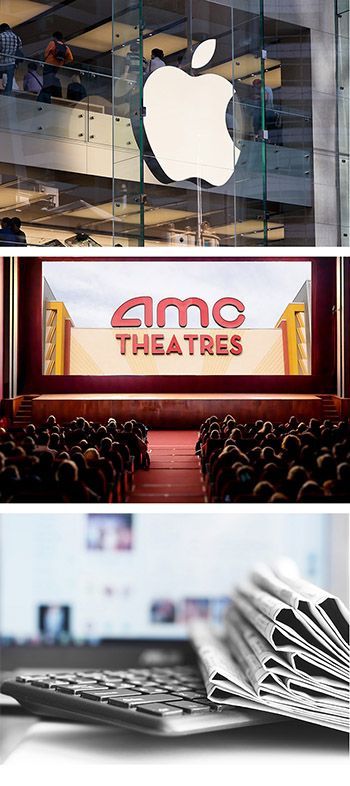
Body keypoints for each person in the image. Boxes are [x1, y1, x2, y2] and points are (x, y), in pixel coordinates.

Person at [0, 23, 22, 95]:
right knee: (10, 80)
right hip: (11, 63)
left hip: (1, 62)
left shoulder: (1, 36)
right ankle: (7, 94)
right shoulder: (17, 37)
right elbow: (19, 50)